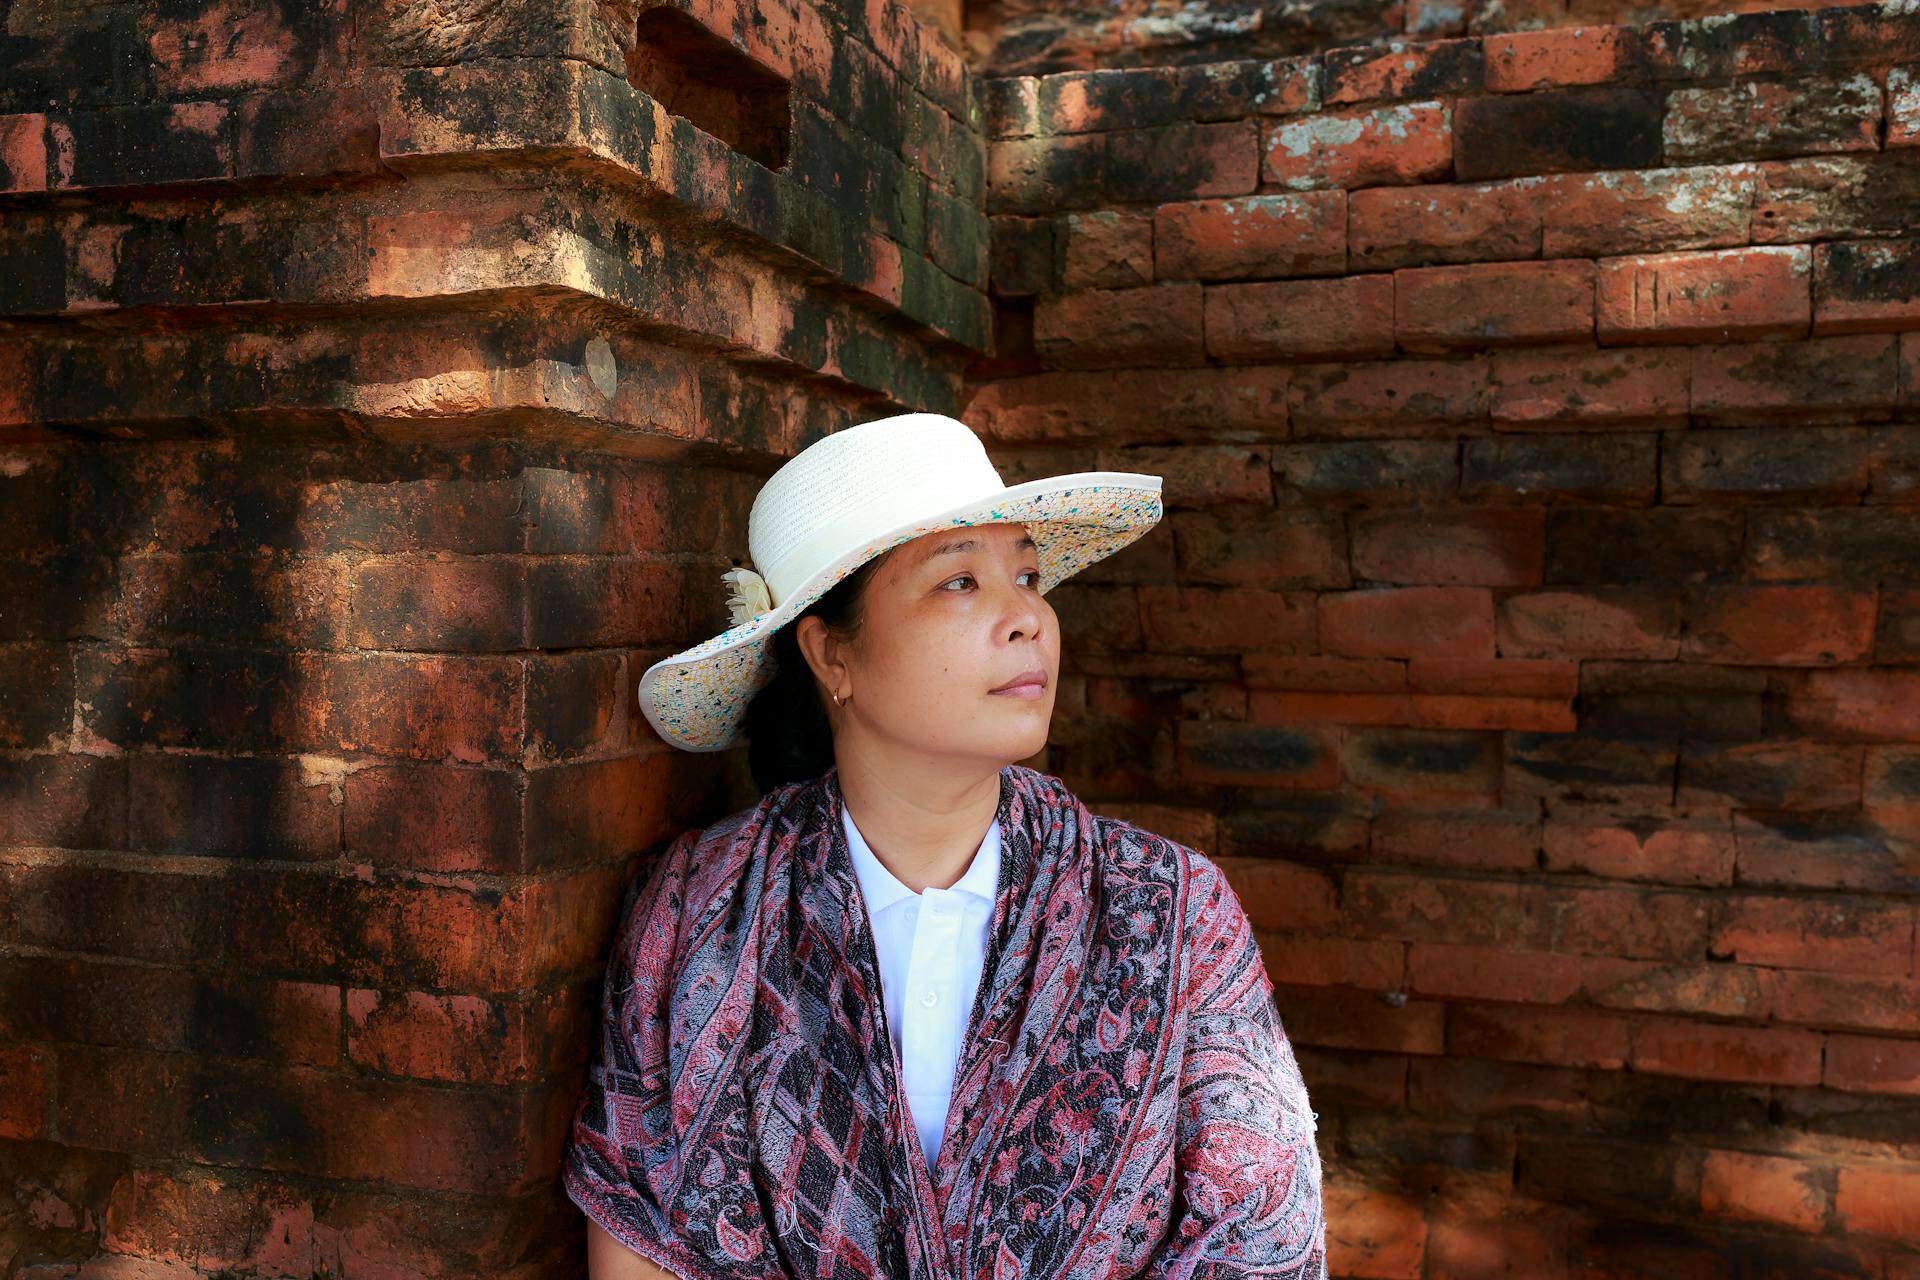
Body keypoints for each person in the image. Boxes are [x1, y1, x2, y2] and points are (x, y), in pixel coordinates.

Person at [561, 412, 1326, 1279]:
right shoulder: (699, 909)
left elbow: (1261, 1237)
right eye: (959, 582)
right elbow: (641, 1234)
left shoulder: (1170, 910)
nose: (1027, 617)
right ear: (830, 654)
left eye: (1029, 575)